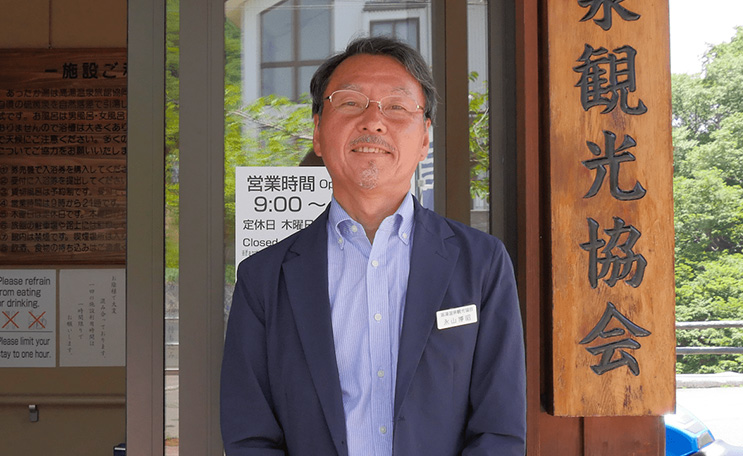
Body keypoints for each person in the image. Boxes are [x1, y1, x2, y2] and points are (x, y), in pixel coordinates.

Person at [220, 36, 526, 455]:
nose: (374, 121)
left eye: (397, 107)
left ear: (424, 139)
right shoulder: (263, 278)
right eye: (350, 103)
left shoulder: (482, 264)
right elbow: (249, 435)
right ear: (318, 133)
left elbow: (500, 429)